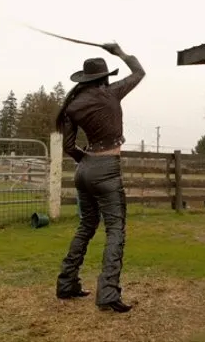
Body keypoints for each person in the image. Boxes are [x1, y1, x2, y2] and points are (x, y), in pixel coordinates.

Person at [54, 43, 146, 313]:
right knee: (115, 229)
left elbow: (69, 147)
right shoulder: (111, 93)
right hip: (106, 169)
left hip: (84, 169)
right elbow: (139, 72)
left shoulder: (72, 105)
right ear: (104, 77)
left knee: (87, 225)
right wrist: (119, 51)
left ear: (85, 78)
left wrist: (87, 161)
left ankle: (66, 283)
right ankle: (107, 293)